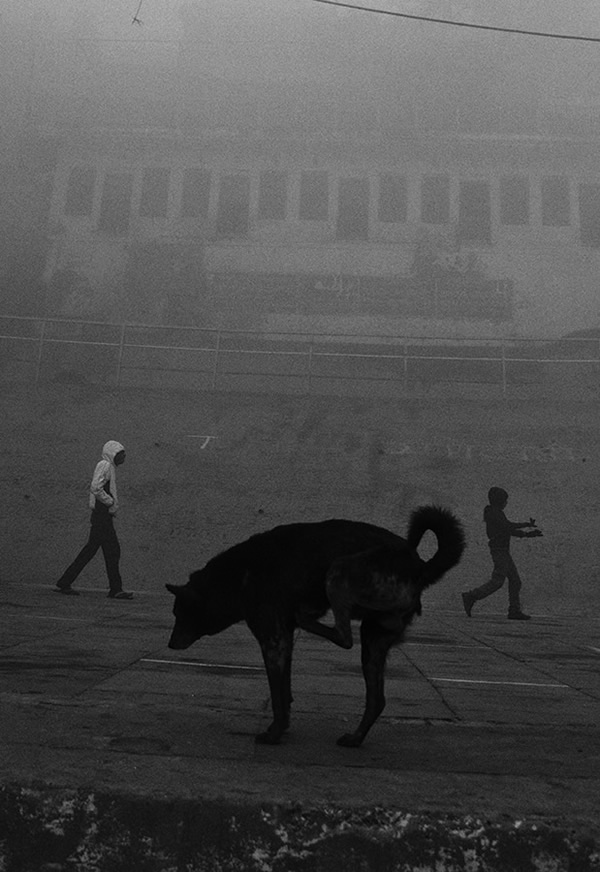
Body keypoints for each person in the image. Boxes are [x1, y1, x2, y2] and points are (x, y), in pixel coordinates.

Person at [55, 440, 133, 599]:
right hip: (102, 517)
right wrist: (109, 502)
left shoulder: (108, 466)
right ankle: (115, 589)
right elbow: (96, 488)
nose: (123, 457)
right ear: (113, 454)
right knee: (111, 551)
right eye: (120, 454)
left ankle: (66, 581)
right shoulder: (105, 465)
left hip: (102, 516)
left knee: (95, 550)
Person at [461, 486, 542, 621]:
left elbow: (507, 528)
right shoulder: (494, 513)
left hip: (502, 551)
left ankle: (514, 610)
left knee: (515, 581)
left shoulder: (494, 512)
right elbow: (508, 528)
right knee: (498, 581)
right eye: (505, 500)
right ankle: (471, 596)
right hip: (500, 551)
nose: (506, 503)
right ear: (500, 501)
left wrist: (526, 528)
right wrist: (527, 531)